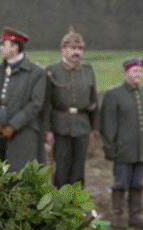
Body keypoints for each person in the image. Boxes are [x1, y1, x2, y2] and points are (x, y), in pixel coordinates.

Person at [99, 57, 143, 230]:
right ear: (126, 73)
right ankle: (117, 216)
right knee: (120, 183)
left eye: (140, 71)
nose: (138, 74)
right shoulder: (113, 94)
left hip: (142, 149)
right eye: (134, 71)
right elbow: (107, 124)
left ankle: (135, 216)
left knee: (138, 183)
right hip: (123, 149)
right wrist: (110, 148)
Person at [0, 26, 46, 172]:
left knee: (20, 175)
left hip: (24, 133)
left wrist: (13, 126)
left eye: (3, 45)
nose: (0, 48)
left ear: (15, 47)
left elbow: (36, 104)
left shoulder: (36, 73)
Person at [43, 26, 97, 187]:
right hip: (60, 127)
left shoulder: (88, 71)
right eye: (73, 48)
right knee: (61, 170)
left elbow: (93, 101)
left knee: (78, 171)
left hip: (82, 126)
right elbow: (47, 103)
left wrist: (93, 128)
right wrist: (47, 129)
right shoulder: (52, 71)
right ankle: (60, 208)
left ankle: (76, 208)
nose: (77, 52)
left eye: (80, 48)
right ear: (63, 50)